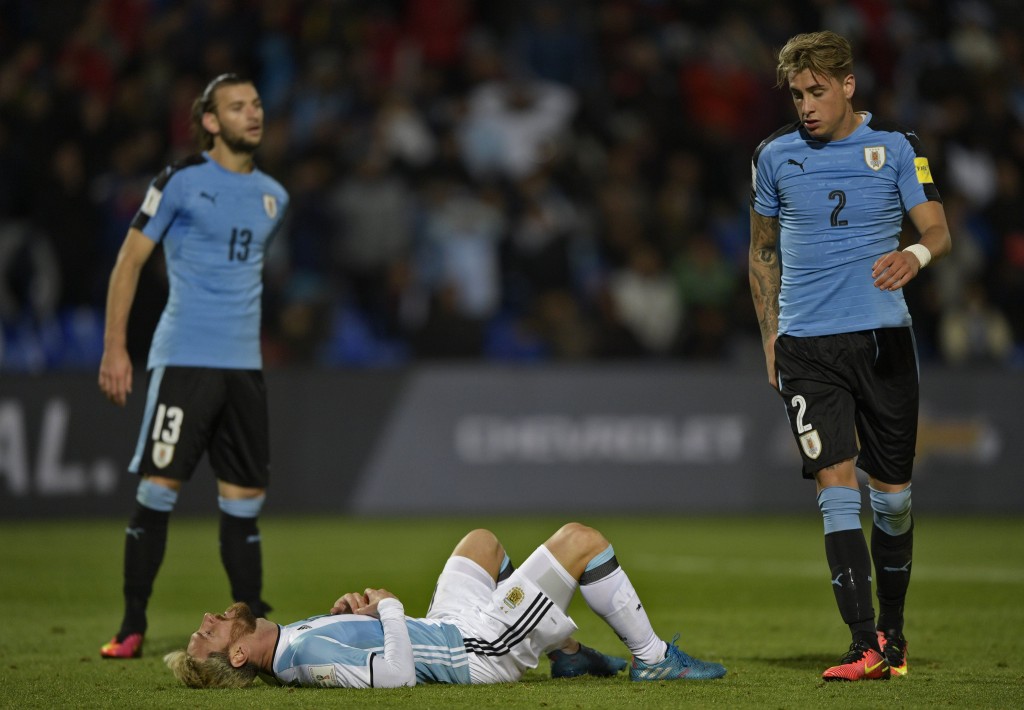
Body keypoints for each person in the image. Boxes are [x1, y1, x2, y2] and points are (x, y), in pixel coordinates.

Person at [748, 31, 951, 682]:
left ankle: (892, 632)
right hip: (807, 347)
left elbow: (938, 230)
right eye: (797, 94)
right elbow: (762, 250)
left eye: (816, 91)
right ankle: (862, 642)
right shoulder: (774, 156)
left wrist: (912, 256)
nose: (805, 105)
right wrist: (769, 333)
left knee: (892, 498)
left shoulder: (895, 149)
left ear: (846, 86)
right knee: (835, 488)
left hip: (881, 340)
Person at [97, 74, 290, 659]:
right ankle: (132, 625)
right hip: (185, 358)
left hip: (244, 368)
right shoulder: (179, 181)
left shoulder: (275, 196)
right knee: (158, 491)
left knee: (245, 503)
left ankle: (251, 627)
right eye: (237, 106)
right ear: (210, 120)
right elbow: (129, 262)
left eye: (256, 103)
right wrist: (115, 346)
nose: (252, 113)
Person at [164, 522, 727, 688]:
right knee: (581, 540)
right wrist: (386, 608)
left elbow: (365, 649)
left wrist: (353, 615)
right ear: (237, 656)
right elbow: (396, 677)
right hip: (476, 648)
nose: (210, 618)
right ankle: (653, 658)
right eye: (209, 633)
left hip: (445, 627)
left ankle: (569, 651)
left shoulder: (292, 639)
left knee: (480, 543)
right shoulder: (302, 657)